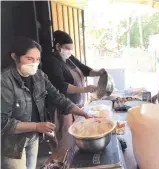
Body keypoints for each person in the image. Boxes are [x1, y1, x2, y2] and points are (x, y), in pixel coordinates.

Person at [1, 37, 93, 169]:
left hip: (33, 138)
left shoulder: (39, 76)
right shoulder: (4, 81)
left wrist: (83, 113)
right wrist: (37, 126)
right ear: (15, 57)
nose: (34, 64)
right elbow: (2, 121)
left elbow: (58, 97)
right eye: (29, 59)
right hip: (12, 144)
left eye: (37, 59)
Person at [45, 30, 105, 152]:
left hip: (76, 105)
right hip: (63, 108)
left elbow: (83, 69)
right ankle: (62, 161)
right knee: (65, 139)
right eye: (67, 48)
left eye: (71, 49)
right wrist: (84, 89)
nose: (69, 52)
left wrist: (98, 72)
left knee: (76, 136)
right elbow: (60, 86)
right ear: (57, 46)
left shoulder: (69, 58)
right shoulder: (52, 62)